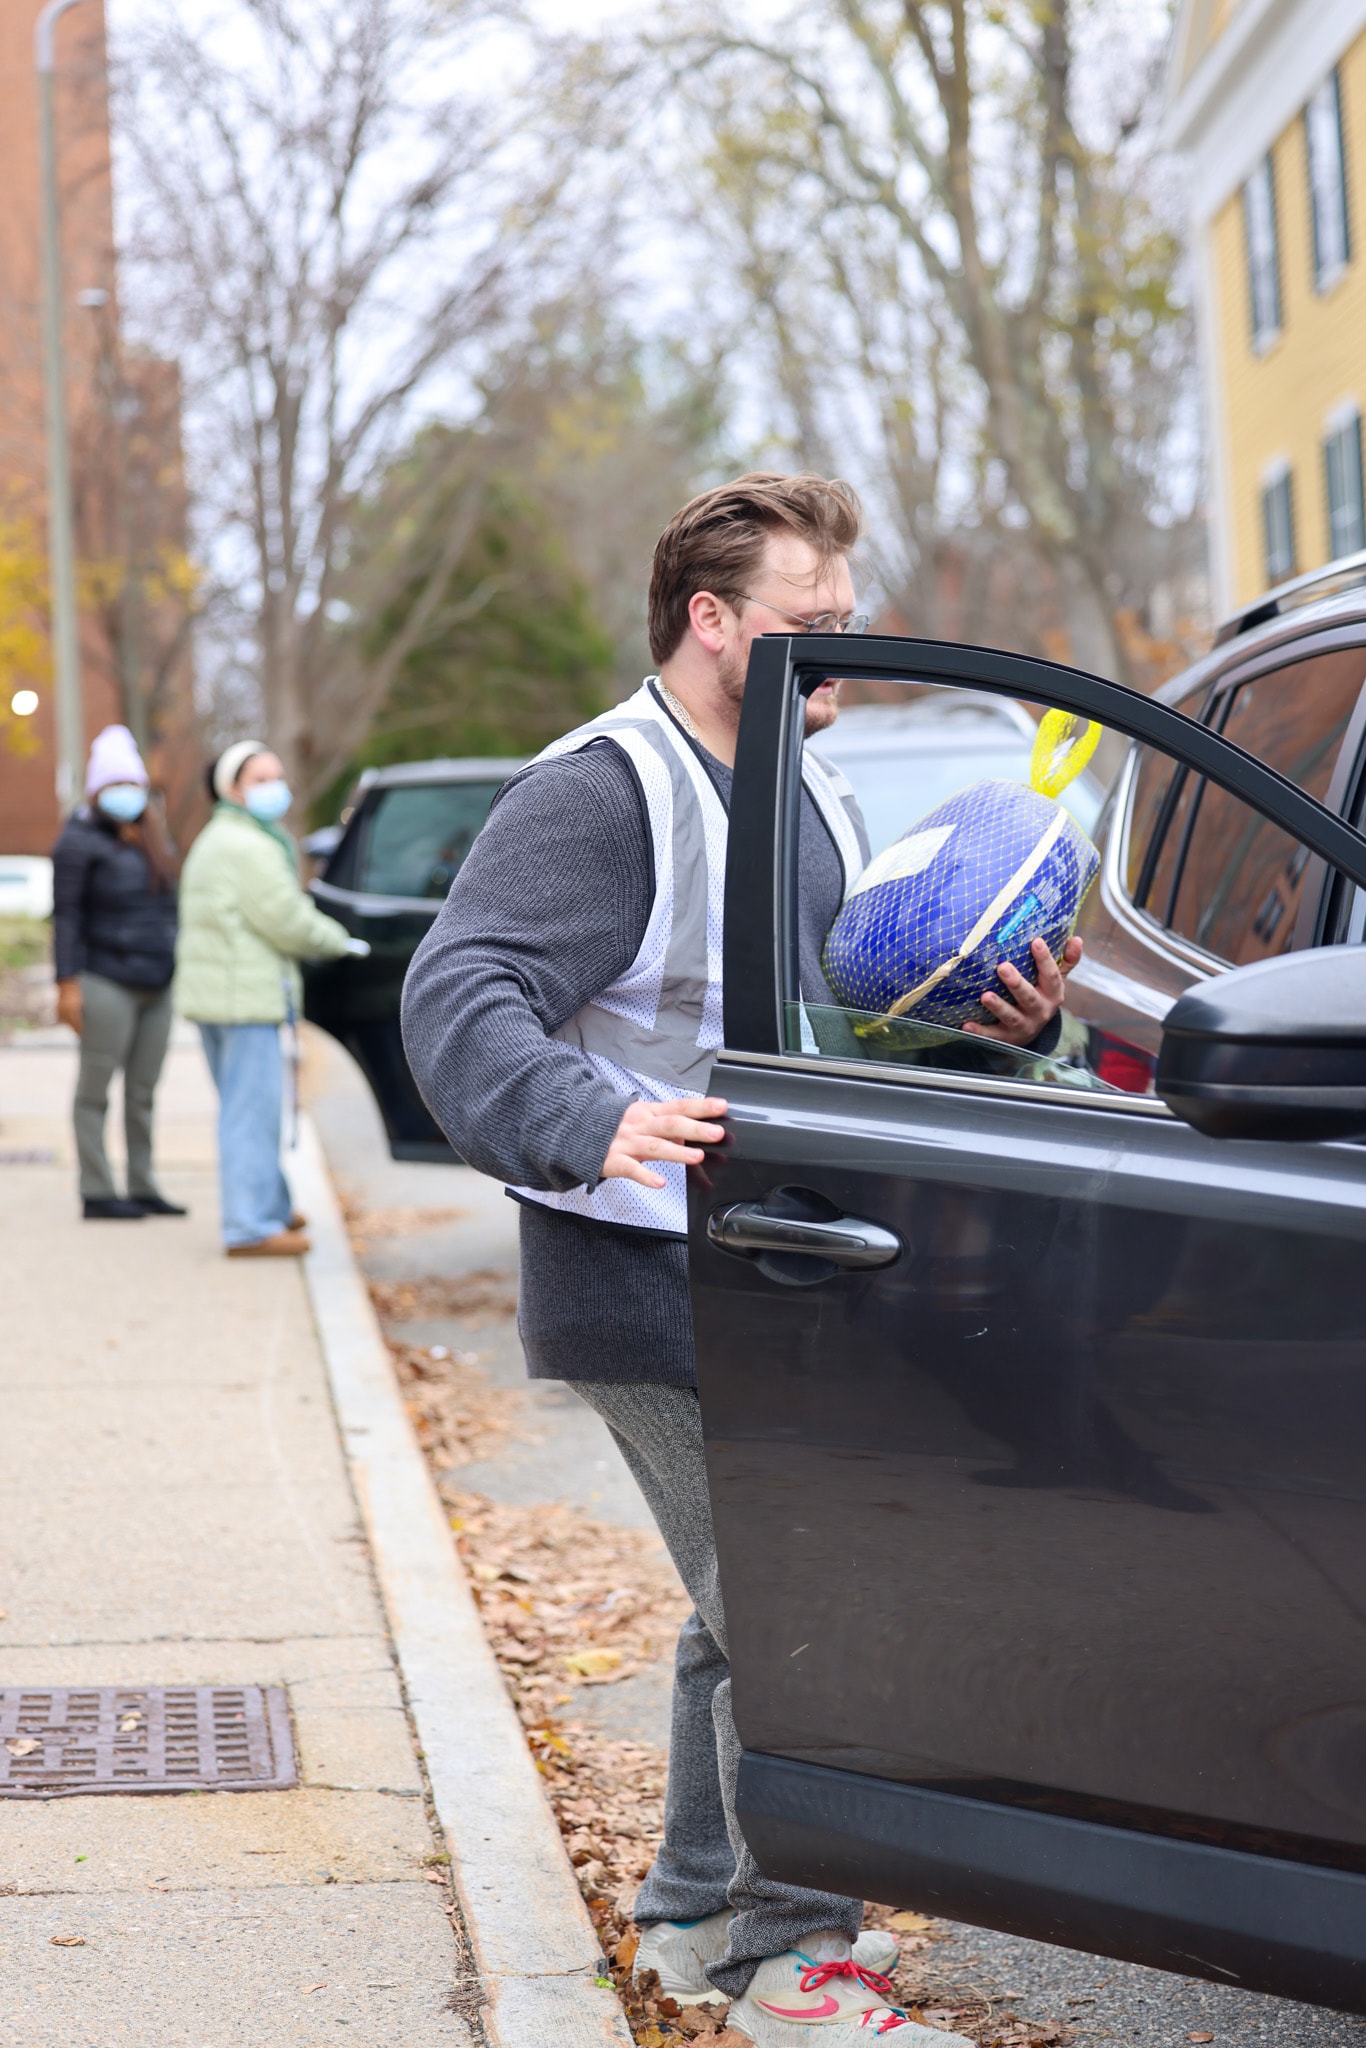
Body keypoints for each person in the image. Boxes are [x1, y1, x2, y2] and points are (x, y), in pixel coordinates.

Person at [401, 475, 1077, 2047]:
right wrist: (584, 1123)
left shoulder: (799, 777)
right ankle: (795, 1966)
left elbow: (842, 1021)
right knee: (799, 1605)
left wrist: (1000, 1038)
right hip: (643, 1271)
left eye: (847, 621)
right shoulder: (606, 790)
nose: (835, 651)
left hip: (783, 1266)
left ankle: (693, 1916)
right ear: (710, 622)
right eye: (806, 626)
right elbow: (460, 989)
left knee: (741, 1607)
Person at [175, 740, 365, 1257]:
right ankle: (249, 1226)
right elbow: (286, 919)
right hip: (243, 998)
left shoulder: (220, 838)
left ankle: (271, 1205)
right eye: (260, 779)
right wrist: (340, 941)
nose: (273, 788)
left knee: (249, 1107)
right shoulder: (248, 847)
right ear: (233, 789)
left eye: (275, 777)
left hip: (223, 997)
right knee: (250, 1113)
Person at [52, 723, 185, 1221]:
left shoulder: (152, 837)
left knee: (143, 1091)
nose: (126, 795)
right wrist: (67, 985)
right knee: (96, 1088)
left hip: (158, 981)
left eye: (132, 785)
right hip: (106, 978)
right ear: (95, 789)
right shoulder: (78, 841)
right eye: (115, 785)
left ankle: (143, 1183)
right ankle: (97, 1188)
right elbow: (65, 916)